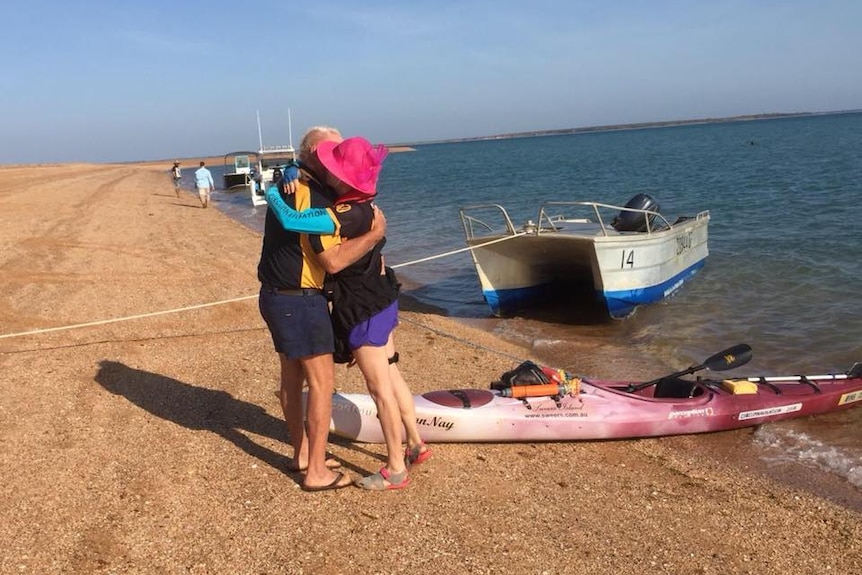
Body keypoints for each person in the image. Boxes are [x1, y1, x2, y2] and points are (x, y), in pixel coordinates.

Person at [266, 136, 431, 491]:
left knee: (375, 388)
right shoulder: (367, 207)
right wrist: (288, 172)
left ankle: (395, 467)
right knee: (390, 374)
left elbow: (301, 227)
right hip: (381, 298)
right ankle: (415, 443)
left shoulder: (340, 212)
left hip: (361, 306)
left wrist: (273, 191)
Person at [257, 126, 387, 491]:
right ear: (315, 154)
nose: (340, 159)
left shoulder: (301, 186)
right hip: (298, 298)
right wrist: (373, 236)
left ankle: (302, 455)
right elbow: (331, 262)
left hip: (276, 296)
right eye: (334, 152)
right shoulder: (309, 194)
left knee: (292, 378)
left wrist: (282, 177)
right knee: (321, 383)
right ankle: (316, 471)